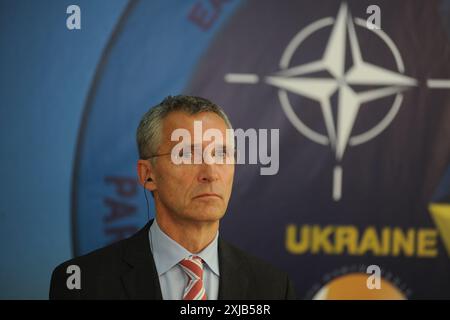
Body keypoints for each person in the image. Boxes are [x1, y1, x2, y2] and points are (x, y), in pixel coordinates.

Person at [49, 95, 295, 300]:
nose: (210, 173)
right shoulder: (84, 284)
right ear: (148, 175)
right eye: (186, 154)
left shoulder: (273, 287)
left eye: (221, 154)